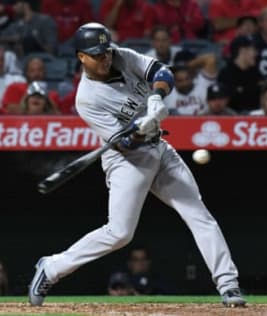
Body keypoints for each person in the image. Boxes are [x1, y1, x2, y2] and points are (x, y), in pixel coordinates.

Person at [28, 22, 245, 308]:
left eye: (105, 51)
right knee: (119, 233)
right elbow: (124, 144)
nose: (105, 58)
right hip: (126, 161)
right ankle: (52, 267)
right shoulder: (87, 99)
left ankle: (228, 285)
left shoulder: (121, 55)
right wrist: (140, 128)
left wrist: (156, 96)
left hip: (160, 148)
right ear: (82, 56)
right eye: (97, 54)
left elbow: (161, 72)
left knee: (198, 214)